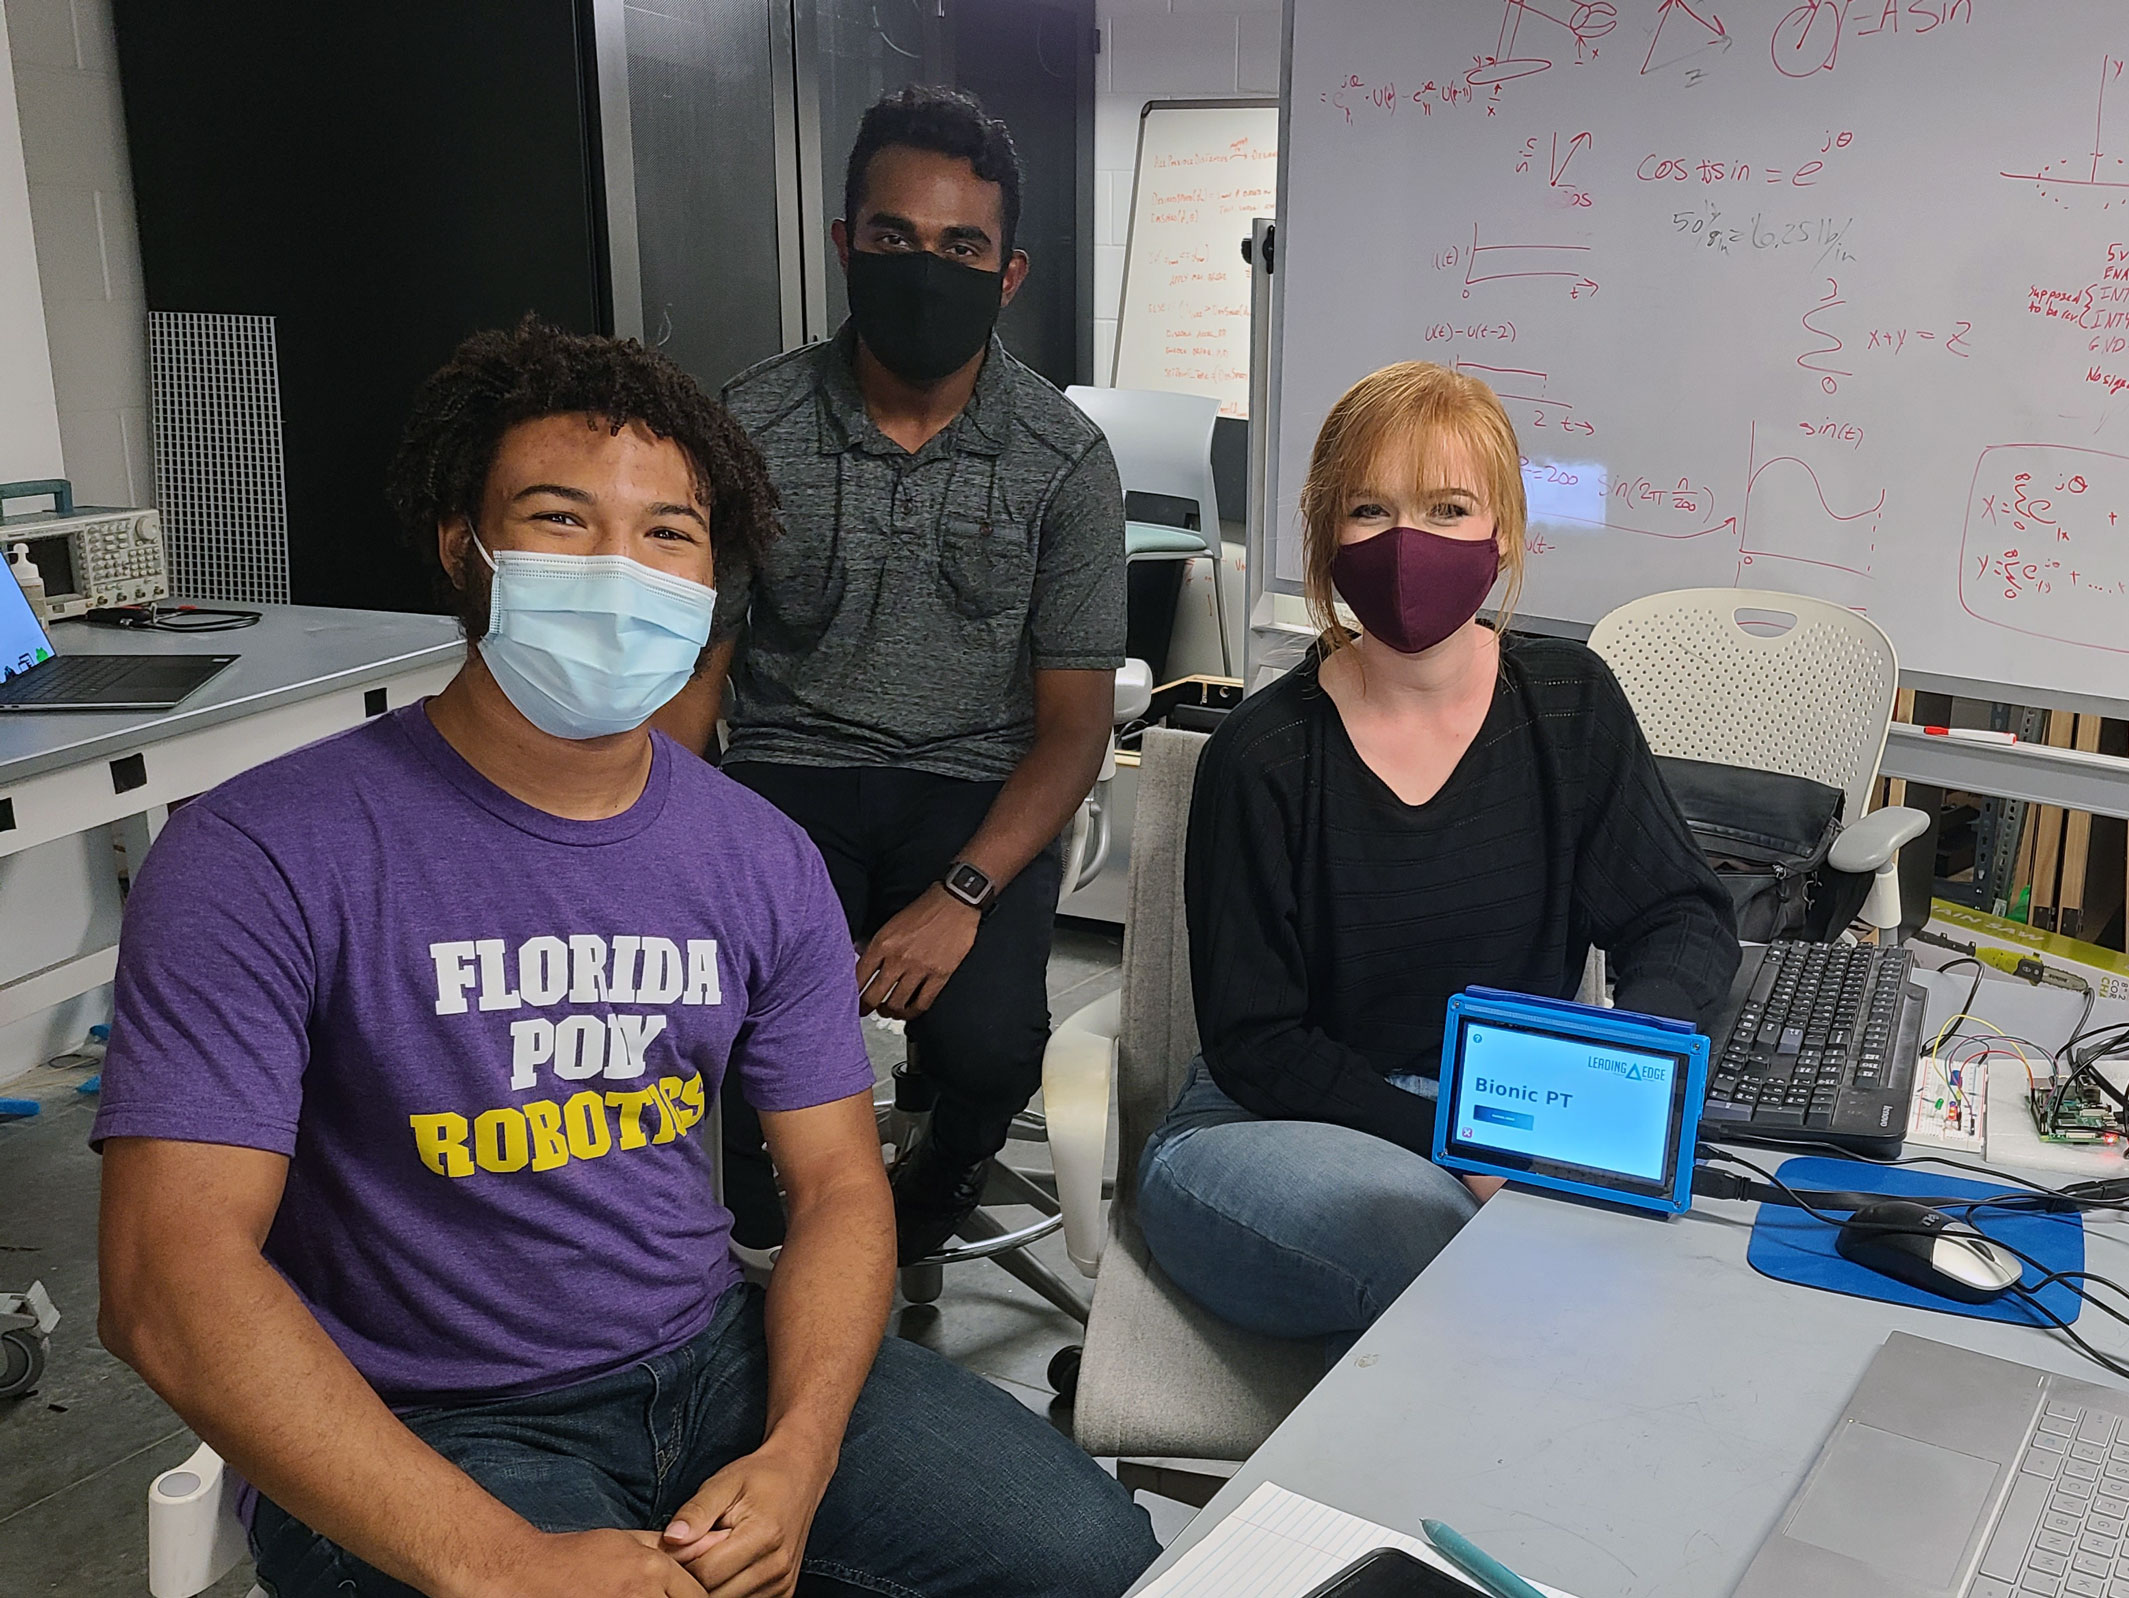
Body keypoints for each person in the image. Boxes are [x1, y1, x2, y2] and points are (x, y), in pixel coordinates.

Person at [93, 320, 1157, 1598]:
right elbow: (169, 1275)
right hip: (430, 1413)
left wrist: (801, 1449)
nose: (619, 567)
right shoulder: (258, 853)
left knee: (1094, 1555)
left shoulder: (757, 858)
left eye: (667, 533)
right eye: (558, 517)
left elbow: (831, 1188)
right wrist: (498, 1559)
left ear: (713, 578)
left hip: (712, 1361)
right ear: (463, 547)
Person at [1136, 361, 1740, 1356]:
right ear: (1325, 538)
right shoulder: (1264, 753)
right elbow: (1257, 1044)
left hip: (1508, 1103)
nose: (1407, 541)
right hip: (1263, 1128)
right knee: (1462, 1254)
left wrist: (1618, 1076)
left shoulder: (1568, 701)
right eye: (1369, 508)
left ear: (1503, 532)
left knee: (1668, 1257)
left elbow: (1678, 913)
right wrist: (1467, 1148)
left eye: (1448, 506)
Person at [657, 86, 1125, 1265]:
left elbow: (1071, 730)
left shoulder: (1064, 461)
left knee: (988, 1047)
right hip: (781, 775)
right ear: (844, 245)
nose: (926, 267)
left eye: (961, 246)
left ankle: (940, 1173)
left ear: (1007, 272)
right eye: (893, 238)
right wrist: (657, 850)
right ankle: (753, 1208)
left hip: (973, 790)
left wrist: (958, 897)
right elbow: (697, 675)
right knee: (705, 1015)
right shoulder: (747, 424)